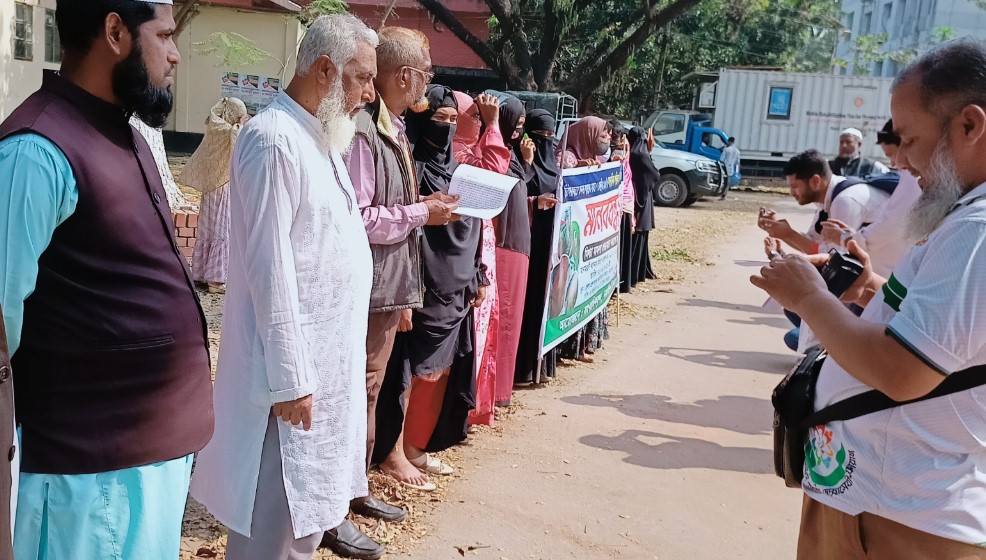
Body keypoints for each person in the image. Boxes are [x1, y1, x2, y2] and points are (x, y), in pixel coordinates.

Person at [752, 38, 986, 560]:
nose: (902, 161)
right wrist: (869, 288)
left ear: (970, 126)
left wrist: (809, 297)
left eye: (910, 139)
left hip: (901, 517)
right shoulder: (966, 220)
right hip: (880, 500)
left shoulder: (977, 229)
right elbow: (948, 333)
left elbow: (902, 371)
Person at [0, 1, 214, 558]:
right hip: (86, 477)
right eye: (164, 36)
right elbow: (1, 321)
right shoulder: (35, 150)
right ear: (115, 31)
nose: (175, 55)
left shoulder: (124, 133)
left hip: (140, 463)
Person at [189, 14, 384, 560]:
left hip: (325, 371)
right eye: (363, 78)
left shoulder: (319, 139)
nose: (369, 94)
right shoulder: (274, 140)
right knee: (274, 529)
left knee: (305, 522)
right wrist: (292, 378)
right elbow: (270, 269)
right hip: (287, 384)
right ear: (324, 70)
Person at [346, 26, 456, 512]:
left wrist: (422, 205)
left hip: (388, 285)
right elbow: (359, 217)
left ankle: (354, 489)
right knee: (363, 389)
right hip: (369, 286)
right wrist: (419, 213)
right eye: (426, 74)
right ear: (406, 76)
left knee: (370, 388)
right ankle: (348, 495)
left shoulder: (392, 128)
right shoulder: (364, 132)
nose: (428, 84)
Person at [375, 86, 487, 488]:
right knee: (404, 373)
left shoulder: (460, 171)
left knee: (436, 373)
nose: (447, 127)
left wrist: (478, 275)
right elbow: (404, 235)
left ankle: (416, 445)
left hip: (456, 287)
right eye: (439, 119)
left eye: (454, 120)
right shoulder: (410, 168)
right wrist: (404, 296)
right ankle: (392, 452)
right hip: (421, 287)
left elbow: (476, 224)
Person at [759, 150, 891, 352]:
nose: (792, 192)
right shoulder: (829, 199)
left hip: (877, 283)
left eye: (795, 186)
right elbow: (815, 242)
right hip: (865, 284)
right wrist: (781, 234)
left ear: (815, 181)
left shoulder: (846, 200)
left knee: (798, 327)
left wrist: (788, 236)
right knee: (796, 312)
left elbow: (833, 258)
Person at [451, 91, 510, 419]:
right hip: (464, 251)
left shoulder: (471, 149)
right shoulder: (457, 153)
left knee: (482, 324)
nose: (479, 122)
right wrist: (494, 125)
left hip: (481, 245)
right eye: (474, 116)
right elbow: (495, 172)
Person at [818, 119, 922, 278]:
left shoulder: (912, 175)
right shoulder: (833, 164)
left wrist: (849, 239)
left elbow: (893, 225)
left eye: (892, 155)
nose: (895, 163)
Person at [180, 97, 249, 293]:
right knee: (222, 230)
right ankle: (216, 280)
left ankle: (201, 273)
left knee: (207, 230)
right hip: (223, 186)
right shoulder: (231, 131)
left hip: (210, 185)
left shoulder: (215, 126)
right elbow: (241, 146)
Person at [556, 116, 612, 362]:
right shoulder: (566, 156)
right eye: (602, 135)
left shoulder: (594, 158)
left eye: (608, 135)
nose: (607, 139)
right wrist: (578, 168)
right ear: (587, 135)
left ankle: (582, 346)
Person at [515, 109, 563, 385]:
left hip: (549, 246)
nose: (546, 139)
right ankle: (521, 369)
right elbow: (519, 192)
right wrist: (528, 162)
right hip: (527, 244)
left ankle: (540, 366)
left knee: (544, 302)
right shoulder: (521, 160)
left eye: (550, 135)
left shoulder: (554, 164)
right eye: (540, 134)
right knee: (527, 303)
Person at [627, 127, 657, 286]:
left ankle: (638, 272)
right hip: (642, 199)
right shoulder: (641, 155)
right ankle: (634, 274)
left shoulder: (630, 153)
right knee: (639, 235)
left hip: (635, 197)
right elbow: (655, 174)